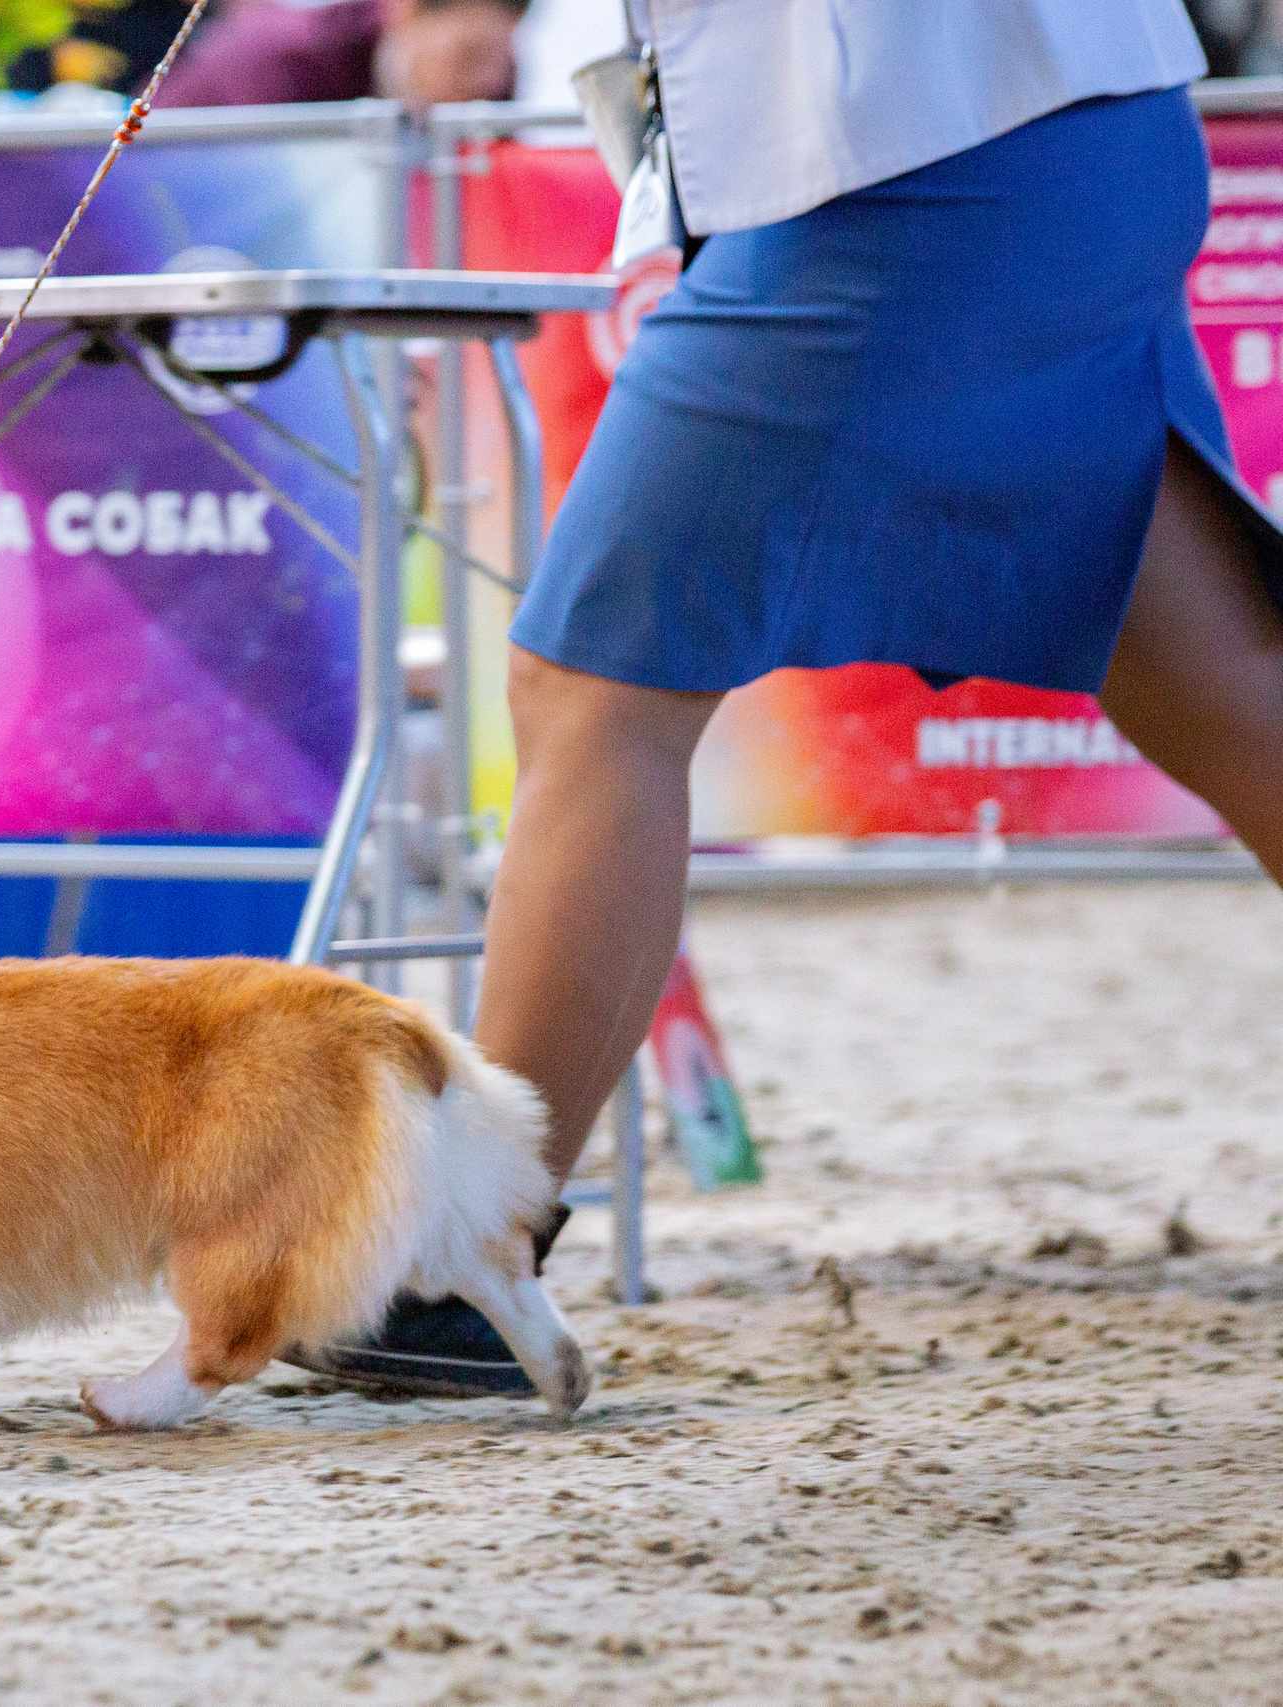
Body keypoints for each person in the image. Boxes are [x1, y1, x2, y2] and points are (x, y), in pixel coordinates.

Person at [290, 0, 1283, 1396]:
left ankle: (464, 1259)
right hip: (1042, 135)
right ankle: (466, 1254)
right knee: (1217, 680)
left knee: (594, 681)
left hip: (898, 164)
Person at [155, 0, 524, 111]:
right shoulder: (287, 63)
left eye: (499, 59)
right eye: (469, 56)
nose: (487, 81)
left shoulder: (492, 87)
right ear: (405, 11)